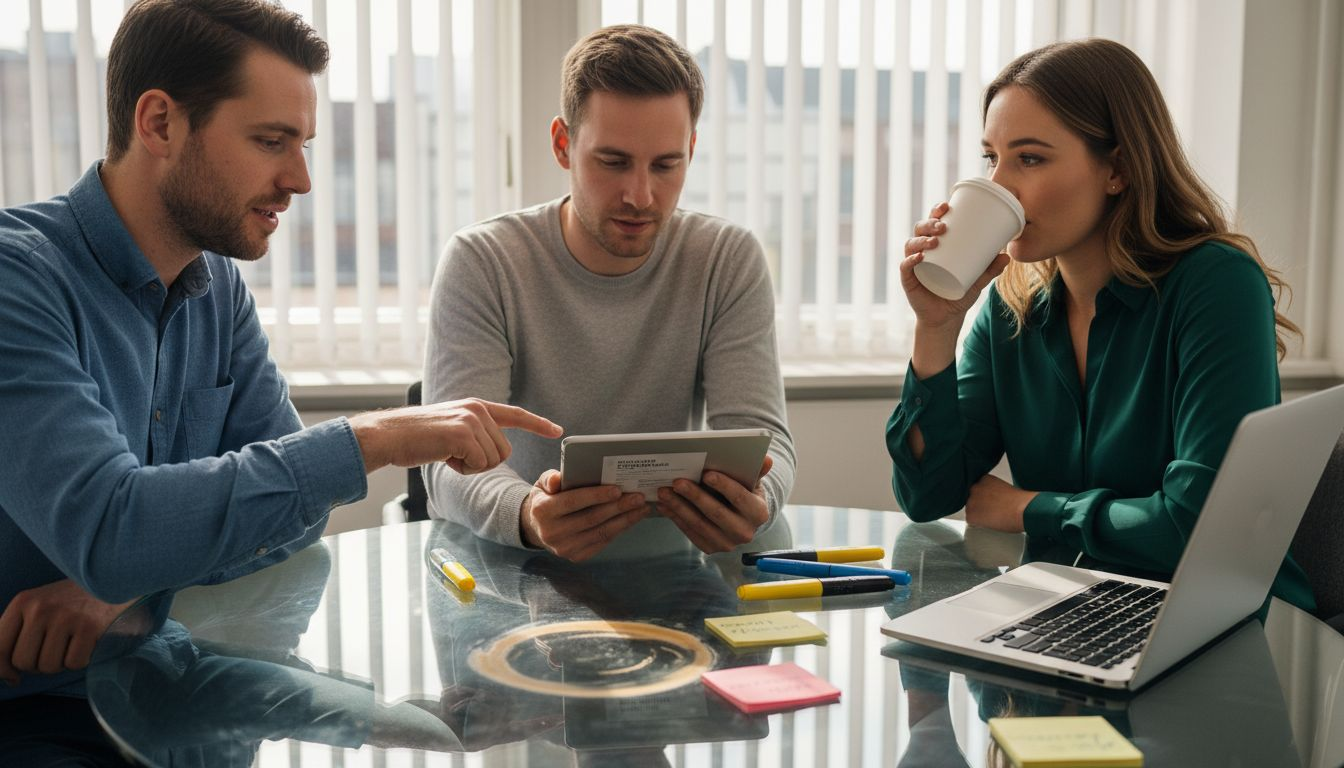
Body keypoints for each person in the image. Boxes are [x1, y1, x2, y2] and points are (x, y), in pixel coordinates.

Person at [0, 0, 559, 755]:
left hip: (167, 683)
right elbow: (111, 530)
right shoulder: (17, 281)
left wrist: (133, 590)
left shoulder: (217, 287)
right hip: (31, 713)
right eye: (271, 141)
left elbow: (294, 519)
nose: (299, 179)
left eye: (303, 145)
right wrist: (372, 439)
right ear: (159, 123)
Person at [885, 38, 1314, 610]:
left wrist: (1030, 508)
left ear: (1118, 169)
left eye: (1029, 159)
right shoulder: (1010, 307)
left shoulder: (1216, 284)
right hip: (1065, 609)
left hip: (1213, 617)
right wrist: (936, 327)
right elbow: (928, 494)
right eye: (991, 158)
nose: (998, 184)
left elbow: (1203, 526)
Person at [423, 24, 795, 562]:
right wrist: (528, 513)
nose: (640, 196)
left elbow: (765, 439)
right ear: (563, 145)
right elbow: (447, 463)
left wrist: (759, 499)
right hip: (519, 567)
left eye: (666, 165)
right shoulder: (483, 261)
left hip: (673, 566)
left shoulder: (726, 259)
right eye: (613, 162)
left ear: (691, 150)